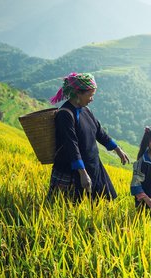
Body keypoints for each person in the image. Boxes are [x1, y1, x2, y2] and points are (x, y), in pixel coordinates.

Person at [47, 72, 130, 202]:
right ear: (78, 93)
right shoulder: (65, 114)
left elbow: (99, 132)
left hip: (93, 165)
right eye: (90, 95)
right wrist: (82, 173)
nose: (92, 99)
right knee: (71, 207)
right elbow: (71, 145)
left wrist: (118, 149)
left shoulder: (86, 110)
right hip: (73, 171)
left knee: (104, 203)